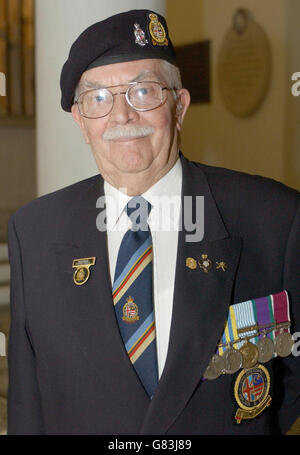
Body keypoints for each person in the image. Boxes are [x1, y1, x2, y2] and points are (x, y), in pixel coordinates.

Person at [7, 9, 300, 435]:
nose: (122, 117)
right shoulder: (34, 231)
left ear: (179, 107)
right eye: (100, 98)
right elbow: (29, 404)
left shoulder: (274, 218)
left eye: (143, 91)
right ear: (80, 121)